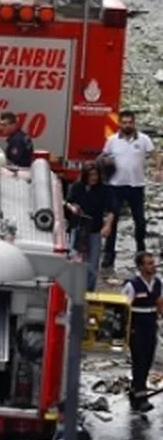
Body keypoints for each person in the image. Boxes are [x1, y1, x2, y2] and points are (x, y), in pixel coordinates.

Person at [101, 111, 156, 269]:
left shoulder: (144, 139)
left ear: (134, 122)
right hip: (116, 186)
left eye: (129, 122)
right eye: (124, 122)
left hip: (136, 186)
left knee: (140, 221)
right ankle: (109, 256)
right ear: (119, 123)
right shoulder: (112, 140)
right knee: (113, 221)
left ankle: (141, 253)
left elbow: (155, 155)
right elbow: (104, 157)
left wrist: (158, 170)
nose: (127, 125)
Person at [123, 251, 162, 413]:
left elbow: (160, 304)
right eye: (149, 263)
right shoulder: (132, 285)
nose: (153, 266)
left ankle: (135, 391)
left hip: (150, 326)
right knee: (139, 361)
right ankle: (141, 398)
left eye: (153, 263)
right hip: (136, 328)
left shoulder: (158, 283)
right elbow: (123, 307)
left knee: (147, 361)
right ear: (141, 267)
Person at [64, 162, 114, 291]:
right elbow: (68, 202)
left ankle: (89, 289)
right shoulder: (77, 187)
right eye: (91, 175)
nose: (94, 178)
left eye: (95, 175)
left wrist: (107, 225)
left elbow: (111, 210)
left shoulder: (104, 190)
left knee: (93, 261)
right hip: (78, 227)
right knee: (75, 258)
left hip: (95, 229)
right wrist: (73, 208)